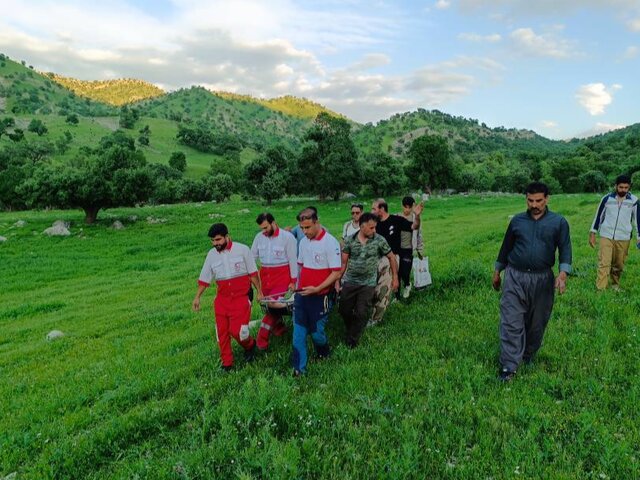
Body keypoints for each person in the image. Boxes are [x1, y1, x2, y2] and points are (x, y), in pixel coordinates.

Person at [492, 182, 572, 382]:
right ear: (526, 199)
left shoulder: (558, 222)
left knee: (536, 323)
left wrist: (563, 274)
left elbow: (565, 249)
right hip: (515, 275)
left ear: (547, 199)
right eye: (530, 200)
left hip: (542, 279)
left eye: (538, 200)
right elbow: (506, 247)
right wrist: (497, 271)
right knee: (511, 320)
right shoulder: (517, 221)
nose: (534, 204)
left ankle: (527, 354)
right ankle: (509, 366)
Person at [192, 223, 263, 371]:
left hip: (241, 297)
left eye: (218, 240)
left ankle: (250, 345)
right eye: (212, 241)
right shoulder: (211, 255)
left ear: (227, 237)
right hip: (222, 300)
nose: (215, 244)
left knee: (238, 332)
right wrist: (197, 297)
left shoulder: (242, 250)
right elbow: (205, 278)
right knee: (222, 333)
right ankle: (227, 363)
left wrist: (259, 292)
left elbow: (253, 274)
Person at [291, 208, 342, 376]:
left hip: (320, 297)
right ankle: (299, 370)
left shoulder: (330, 242)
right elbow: (300, 267)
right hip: (302, 297)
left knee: (316, 334)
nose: (304, 232)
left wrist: (318, 288)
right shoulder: (304, 242)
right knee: (298, 334)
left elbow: (336, 272)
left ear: (317, 222)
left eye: (307, 227)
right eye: (302, 228)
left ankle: (323, 351)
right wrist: (294, 285)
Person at [339, 212, 398, 348]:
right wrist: (338, 281)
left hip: (368, 284)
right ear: (362, 226)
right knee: (344, 310)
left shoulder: (379, 240)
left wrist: (395, 278)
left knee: (361, 312)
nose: (374, 230)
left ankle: (351, 341)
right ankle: (352, 328)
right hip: (350, 281)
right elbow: (343, 263)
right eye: (371, 228)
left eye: (375, 227)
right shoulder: (349, 241)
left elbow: (391, 257)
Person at [369, 198, 423, 324]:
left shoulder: (396, 220)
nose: (371, 211)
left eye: (373, 208)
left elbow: (414, 226)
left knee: (386, 280)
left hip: (393, 257)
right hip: (376, 258)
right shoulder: (373, 224)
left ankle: (377, 315)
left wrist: (417, 216)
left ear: (382, 209)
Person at [251, 212, 298, 351]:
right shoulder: (259, 238)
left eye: (266, 228)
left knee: (273, 306)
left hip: (282, 278)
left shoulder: (287, 238)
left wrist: (293, 281)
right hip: (265, 279)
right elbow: (252, 257)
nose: (264, 231)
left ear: (273, 222)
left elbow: (293, 261)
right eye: (261, 229)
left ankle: (261, 340)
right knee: (267, 305)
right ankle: (279, 328)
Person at [589, 174, 639, 291]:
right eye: (621, 187)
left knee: (618, 265)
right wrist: (592, 233)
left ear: (629, 187)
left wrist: (639, 236)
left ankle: (615, 284)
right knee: (604, 262)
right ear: (616, 186)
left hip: (624, 237)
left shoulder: (634, 201)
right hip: (606, 235)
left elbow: (637, 220)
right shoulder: (607, 199)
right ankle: (601, 288)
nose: (623, 190)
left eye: (626, 188)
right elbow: (598, 217)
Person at [397, 195, 425, 297]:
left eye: (409, 207)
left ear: (413, 206)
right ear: (402, 206)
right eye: (405, 207)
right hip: (397, 249)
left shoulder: (415, 219)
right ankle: (397, 297)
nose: (407, 210)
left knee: (405, 271)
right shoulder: (397, 217)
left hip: (408, 249)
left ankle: (407, 284)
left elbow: (419, 236)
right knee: (397, 273)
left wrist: (420, 250)